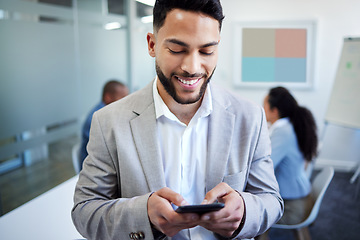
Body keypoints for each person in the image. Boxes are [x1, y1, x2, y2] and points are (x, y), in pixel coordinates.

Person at [72, 1, 283, 239]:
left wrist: (245, 211)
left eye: (206, 51)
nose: (192, 68)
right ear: (152, 45)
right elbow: (84, 211)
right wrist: (144, 215)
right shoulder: (108, 121)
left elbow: (271, 201)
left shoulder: (250, 117)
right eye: (177, 50)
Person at [263, 86, 318, 226]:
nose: (261, 109)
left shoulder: (282, 132)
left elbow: (265, 165)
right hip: (299, 196)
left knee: (245, 216)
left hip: (292, 207)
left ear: (274, 111)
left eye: (264, 105)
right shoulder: (290, 125)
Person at [79, 80, 128, 169]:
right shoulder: (96, 120)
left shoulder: (111, 113)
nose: (126, 102)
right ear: (108, 97)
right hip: (94, 172)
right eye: (122, 98)